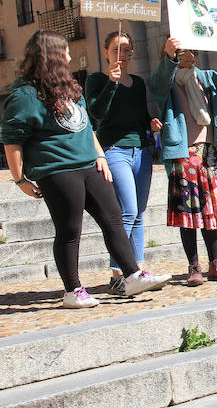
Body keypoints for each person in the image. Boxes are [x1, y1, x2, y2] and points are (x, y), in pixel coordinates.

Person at [1, 30, 170, 307]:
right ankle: (73, 291)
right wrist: (19, 178)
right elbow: (12, 140)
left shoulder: (71, 88)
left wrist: (100, 156)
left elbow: (86, 127)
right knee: (69, 229)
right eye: (65, 51)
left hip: (89, 164)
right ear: (52, 55)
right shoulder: (25, 95)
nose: (70, 55)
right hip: (56, 168)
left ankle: (132, 275)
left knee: (113, 217)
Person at [150, 38, 217, 286]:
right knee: (187, 213)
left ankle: (215, 262)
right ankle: (193, 265)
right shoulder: (166, 82)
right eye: (182, 50)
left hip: (209, 152)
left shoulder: (208, 78)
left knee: (210, 210)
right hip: (183, 152)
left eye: (191, 49)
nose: (189, 54)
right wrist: (169, 56)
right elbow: (156, 83)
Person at [85, 31, 164, 296]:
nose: (122, 54)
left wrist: (150, 123)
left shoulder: (139, 84)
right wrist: (111, 83)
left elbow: (140, 116)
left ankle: (138, 269)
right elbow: (97, 114)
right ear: (106, 52)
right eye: (116, 49)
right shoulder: (97, 79)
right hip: (114, 150)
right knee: (127, 211)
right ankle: (118, 273)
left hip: (140, 151)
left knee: (139, 212)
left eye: (127, 49)